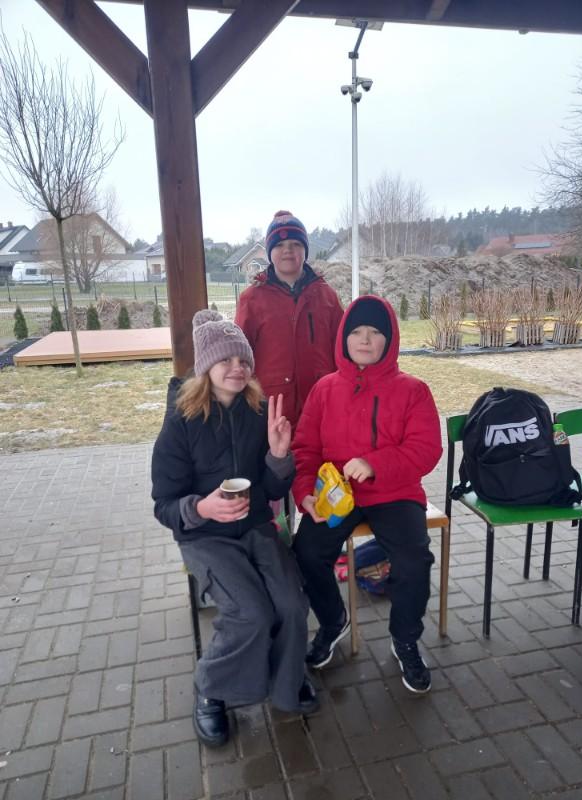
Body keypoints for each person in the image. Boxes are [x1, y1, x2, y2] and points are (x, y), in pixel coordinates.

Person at [151, 309, 318, 748]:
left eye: (243, 360)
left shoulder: (258, 412)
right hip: (205, 536)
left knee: (291, 603)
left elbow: (272, 490)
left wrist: (279, 456)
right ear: (206, 366)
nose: (237, 368)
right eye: (226, 360)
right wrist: (201, 507)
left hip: (256, 526)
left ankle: (287, 680)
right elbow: (164, 505)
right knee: (250, 612)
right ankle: (211, 688)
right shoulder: (181, 422)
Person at [291, 295, 443, 694]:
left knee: (413, 560)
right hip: (337, 495)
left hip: (395, 492)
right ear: (343, 337)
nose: (364, 339)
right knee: (306, 551)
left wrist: (376, 463)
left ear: (389, 340)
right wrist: (305, 493)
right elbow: (304, 449)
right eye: (356, 331)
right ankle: (332, 621)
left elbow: (426, 450)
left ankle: (405, 638)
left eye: (375, 332)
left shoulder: (413, 390)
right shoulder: (324, 389)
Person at [235, 210, 343, 429]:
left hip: (321, 405)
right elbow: (240, 354)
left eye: (296, 244)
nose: (288, 250)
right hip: (271, 411)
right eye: (279, 245)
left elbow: (342, 348)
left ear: (305, 250)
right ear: (270, 252)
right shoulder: (251, 299)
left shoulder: (326, 296)